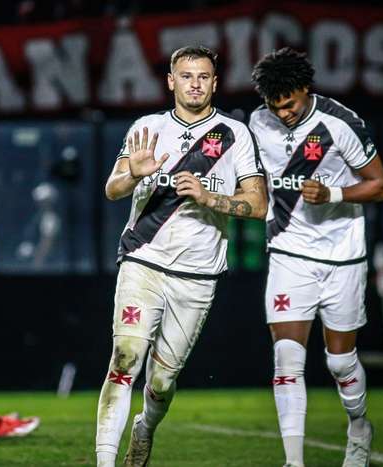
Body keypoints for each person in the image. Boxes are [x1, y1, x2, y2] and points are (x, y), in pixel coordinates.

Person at [97, 46, 268, 467]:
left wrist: (210, 197)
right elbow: (112, 189)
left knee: (162, 380)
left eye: (204, 76)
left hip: (197, 274)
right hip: (143, 258)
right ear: (170, 81)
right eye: (187, 76)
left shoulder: (234, 134)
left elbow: (259, 205)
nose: (195, 83)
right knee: (125, 358)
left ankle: (145, 429)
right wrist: (131, 173)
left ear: (215, 81)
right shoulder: (148, 127)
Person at [249, 48, 383, 467]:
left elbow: (381, 186)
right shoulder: (259, 123)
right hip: (289, 251)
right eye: (275, 107)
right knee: (287, 358)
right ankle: (293, 462)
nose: (283, 113)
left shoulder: (340, 123)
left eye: (289, 104)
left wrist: (334, 193)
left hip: (343, 254)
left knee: (340, 361)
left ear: (305, 88)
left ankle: (360, 425)